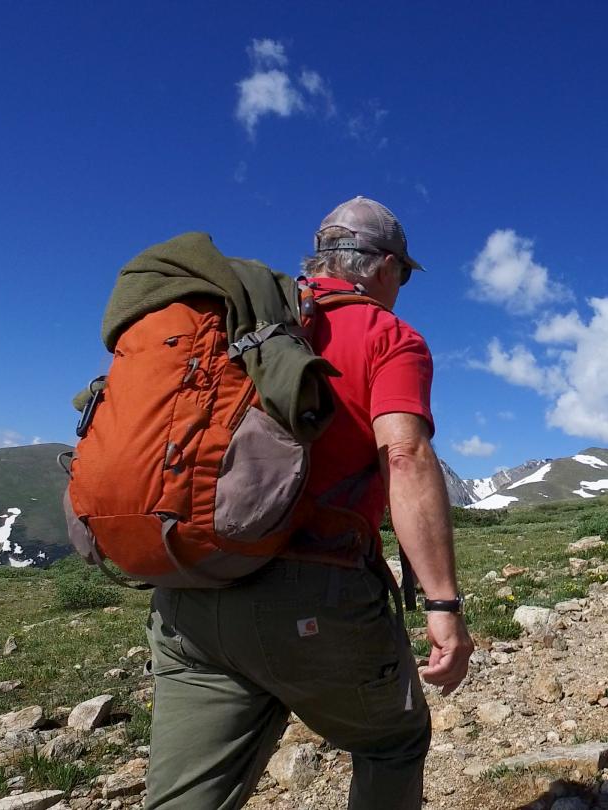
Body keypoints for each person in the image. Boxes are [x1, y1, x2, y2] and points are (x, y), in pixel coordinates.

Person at [144, 196, 473, 810]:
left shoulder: (232, 321)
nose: (401, 286)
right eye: (403, 273)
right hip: (313, 590)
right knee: (392, 743)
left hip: (190, 586)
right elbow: (402, 455)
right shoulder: (388, 335)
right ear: (382, 266)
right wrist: (442, 603)